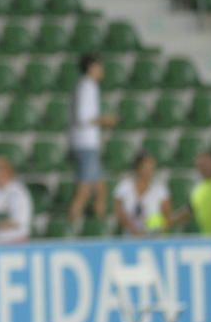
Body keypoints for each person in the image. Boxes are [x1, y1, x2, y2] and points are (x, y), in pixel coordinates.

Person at [68, 54, 117, 223]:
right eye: (99, 66)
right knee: (84, 190)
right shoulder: (86, 87)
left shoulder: (89, 87)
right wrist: (106, 120)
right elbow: (83, 117)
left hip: (88, 144)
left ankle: (98, 227)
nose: (102, 70)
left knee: (101, 189)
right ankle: (72, 224)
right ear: (91, 68)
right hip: (85, 144)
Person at [113, 152, 172, 237]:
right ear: (137, 167)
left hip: (154, 238)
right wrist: (133, 229)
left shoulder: (160, 190)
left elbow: (167, 217)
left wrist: (158, 232)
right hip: (129, 237)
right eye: (147, 165)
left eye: (152, 165)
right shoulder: (124, 187)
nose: (150, 168)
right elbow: (119, 212)